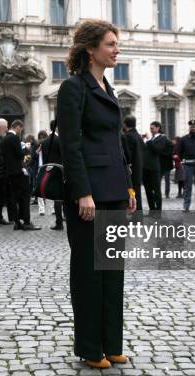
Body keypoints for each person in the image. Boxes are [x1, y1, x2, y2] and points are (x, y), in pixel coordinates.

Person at [57, 19, 135, 370]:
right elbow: (70, 145)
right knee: (90, 272)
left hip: (115, 190)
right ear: (91, 49)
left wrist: (129, 185)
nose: (116, 49)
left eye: (116, 44)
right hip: (90, 195)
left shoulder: (109, 88)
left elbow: (115, 144)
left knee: (112, 270)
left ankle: (111, 343)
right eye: (110, 44)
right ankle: (90, 348)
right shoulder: (73, 88)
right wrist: (82, 192)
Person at [1, 119, 41, 231]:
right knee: (24, 197)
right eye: (21, 129)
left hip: (10, 173)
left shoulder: (4, 139)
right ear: (18, 127)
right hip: (19, 172)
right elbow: (19, 155)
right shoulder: (14, 138)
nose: (21, 131)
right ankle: (27, 222)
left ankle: (17, 222)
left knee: (15, 198)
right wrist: (26, 149)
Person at [175, 120, 195, 212]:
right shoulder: (183, 139)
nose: (193, 128)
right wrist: (183, 160)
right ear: (189, 128)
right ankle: (186, 206)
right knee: (188, 186)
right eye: (192, 127)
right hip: (188, 165)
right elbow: (179, 152)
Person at [39, 120, 64, 230]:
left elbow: (44, 160)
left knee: (57, 197)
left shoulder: (44, 142)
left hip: (50, 171)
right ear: (57, 128)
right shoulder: (60, 140)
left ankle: (59, 222)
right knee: (63, 197)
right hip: (62, 170)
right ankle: (63, 219)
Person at [142, 121, 167, 211]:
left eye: (152, 128)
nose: (151, 130)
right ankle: (152, 208)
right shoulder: (150, 139)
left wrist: (148, 140)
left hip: (154, 167)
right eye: (150, 128)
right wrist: (144, 140)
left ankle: (158, 209)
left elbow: (157, 150)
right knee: (148, 190)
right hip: (145, 167)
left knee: (156, 190)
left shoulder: (162, 138)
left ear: (158, 128)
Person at [122, 115, 145, 211]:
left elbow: (128, 155)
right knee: (136, 194)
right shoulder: (138, 136)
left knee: (132, 194)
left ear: (125, 124)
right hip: (138, 170)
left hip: (131, 172)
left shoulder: (128, 136)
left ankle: (135, 216)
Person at [36, 130, 49, 216]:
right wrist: (38, 151)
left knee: (49, 187)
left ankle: (52, 209)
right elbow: (33, 156)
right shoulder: (37, 145)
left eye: (43, 137)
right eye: (40, 137)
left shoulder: (48, 144)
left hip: (47, 167)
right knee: (39, 188)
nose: (41, 139)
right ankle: (41, 209)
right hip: (39, 168)